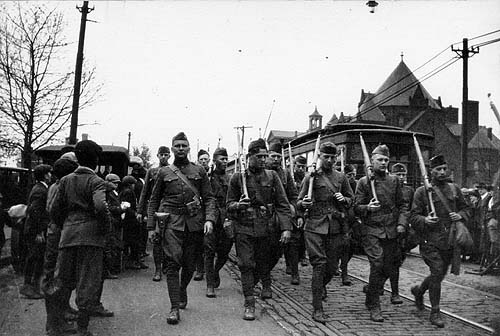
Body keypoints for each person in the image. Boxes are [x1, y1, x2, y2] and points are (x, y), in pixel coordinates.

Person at [147, 132, 216, 325]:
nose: (180, 148)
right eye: (177, 145)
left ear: (189, 148)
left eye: (183, 145)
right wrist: (151, 227)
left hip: (194, 222)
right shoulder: (163, 172)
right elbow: (153, 200)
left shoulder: (199, 171)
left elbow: (209, 198)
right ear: (172, 149)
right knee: (172, 263)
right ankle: (174, 308)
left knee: (190, 265)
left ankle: (182, 288)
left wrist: (209, 219)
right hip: (172, 223)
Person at [227, 138, 292, 321]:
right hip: (244, 228)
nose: (264, 160)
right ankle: (249, 303)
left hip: (267, 228)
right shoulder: (237, 178)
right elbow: (228, 205)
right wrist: (238, 205)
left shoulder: (272, 176)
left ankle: (263, 283)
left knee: (265, 262)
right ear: (250, 157)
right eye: (260, 156)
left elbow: (283, 204)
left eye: (265, 156)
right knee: (246, 264)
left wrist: (286, 228)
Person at [50, 140, 111, 336]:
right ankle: (82, 329)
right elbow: (101, 206)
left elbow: (54, 209)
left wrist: (65, 225)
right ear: (95, 159)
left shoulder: (65, 180)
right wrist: (104, 227)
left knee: (62, 281)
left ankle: (54, 325)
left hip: (68, 236)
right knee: (87, 283)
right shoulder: (97, 182)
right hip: (91, 238)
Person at [409, 154, 470, 328]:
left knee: (439, 274)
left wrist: (460, 215)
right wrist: (425, 220)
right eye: (438, 169)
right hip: (430, 241)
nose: (442, 172)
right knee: (437, 271)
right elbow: (413, 216)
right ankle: (435, 312)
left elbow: (467, 209)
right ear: (431, 171)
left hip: (449, 241)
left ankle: (419, 292)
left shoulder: (454, 189)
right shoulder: (422, 192)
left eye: (444, 168)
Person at [297, 142, 354, 323]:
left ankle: (320, 287)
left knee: (331, 267)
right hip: (314, 225)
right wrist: (304, 204)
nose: (329, 160)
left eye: (332, 157)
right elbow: (299, 202)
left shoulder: (341, 177)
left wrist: (343, 198)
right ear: (320, 157)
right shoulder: (310, 177)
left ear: (336, 158)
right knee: (319, 265)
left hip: (334, 226)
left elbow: (351, 199)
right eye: (326, 157)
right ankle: (317, 309)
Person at [354, 144, 408, 323]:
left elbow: (403, 205)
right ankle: (375, 305)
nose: (384, 163)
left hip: (391, 230)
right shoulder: (364, 182)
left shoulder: (395, 181)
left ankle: (370, 294)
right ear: (372, 161)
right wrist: (367, 208)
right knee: (377, 264)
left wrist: (401, 223)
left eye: (386, 160)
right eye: (380, 160)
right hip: (371, 230)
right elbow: (356, 208)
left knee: (388, 267)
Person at [42, 157, 79, 336]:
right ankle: (54, 325)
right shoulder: (60, 187)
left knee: (59, 277)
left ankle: (61, 314)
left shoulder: (55, 186)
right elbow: (54, 211)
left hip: (54, 233)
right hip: (58, 234)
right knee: (56, 278)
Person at [266, 143, 299, 285]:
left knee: (292, 242)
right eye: (273, 156)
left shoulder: (285, 174)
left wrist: (293, 207)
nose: (276, 159)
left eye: (279, 157)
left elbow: (293, 194)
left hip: (284, 212)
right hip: (268, 214)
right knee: (270, 246)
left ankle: (294, 272)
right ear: (267, 156)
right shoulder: (263, 172)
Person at [137, 146, 171, 281]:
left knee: (170, 240)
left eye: (166, 154)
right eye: (161, 154)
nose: (163, 157)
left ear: (169, 156)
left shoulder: (173, 170)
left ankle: (167, 266)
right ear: (157, 155)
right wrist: (140, 210)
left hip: (170, 208)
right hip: (156, 208)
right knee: (157, 240)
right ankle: (158, 270)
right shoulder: (152, 171)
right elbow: (145, 192)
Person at [20, 164, 52, 300]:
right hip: (35, 230)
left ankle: (33, 287)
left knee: (36, 258)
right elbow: (35, 211)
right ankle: (29, 287)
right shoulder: (40, 190)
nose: (51, 175)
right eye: (49, 173)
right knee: (35, 258)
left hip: (34, 229)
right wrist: (39, 232)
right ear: (45, 175)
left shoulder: (40, 188)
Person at [204, 147, 233, 298]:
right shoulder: (208, 178)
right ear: (215, 161)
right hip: (212, 218)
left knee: (225, 252)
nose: (225, 162)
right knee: (209, 252)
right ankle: (210, 285)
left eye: (226, 159)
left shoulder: (231, 178)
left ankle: (215, 272)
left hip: (227, 219)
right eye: (222, 159)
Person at [388, 162, 414, 304]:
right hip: (389, 228)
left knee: (397, 261)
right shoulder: (387, 187)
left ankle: (379, 286)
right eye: (398, 174)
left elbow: (412, 209)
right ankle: (394, 293)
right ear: (392, 174)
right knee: (391, 261)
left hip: (404, 231)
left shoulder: (409, 191)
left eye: (403, 174)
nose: (401, 177)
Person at [121, 175, 147, 270]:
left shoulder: (126, 191)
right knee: (134, 241)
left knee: (134, 241)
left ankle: (135, 260)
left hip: (130, 220)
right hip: (130, 221)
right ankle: (133, 261)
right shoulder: (128, 192)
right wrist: (135, 214)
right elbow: (126, 206)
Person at [193, 148, 210, 281]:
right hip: (198, 212)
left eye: (206, 159)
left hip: (211, 212)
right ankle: (199, 269)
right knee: (199, 243)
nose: (204, 162)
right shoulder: (195, 176)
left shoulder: (214, 175)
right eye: (201, 160)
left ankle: (211, 270)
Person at [294, 155, 309, 266]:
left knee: (302, 235)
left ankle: (302, 255)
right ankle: (291, 262)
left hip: (303, 209)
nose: (301, 169)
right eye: (299, 166)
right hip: (292, 209)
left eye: (303, 167)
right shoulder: (290, 177)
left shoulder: (308, 179)